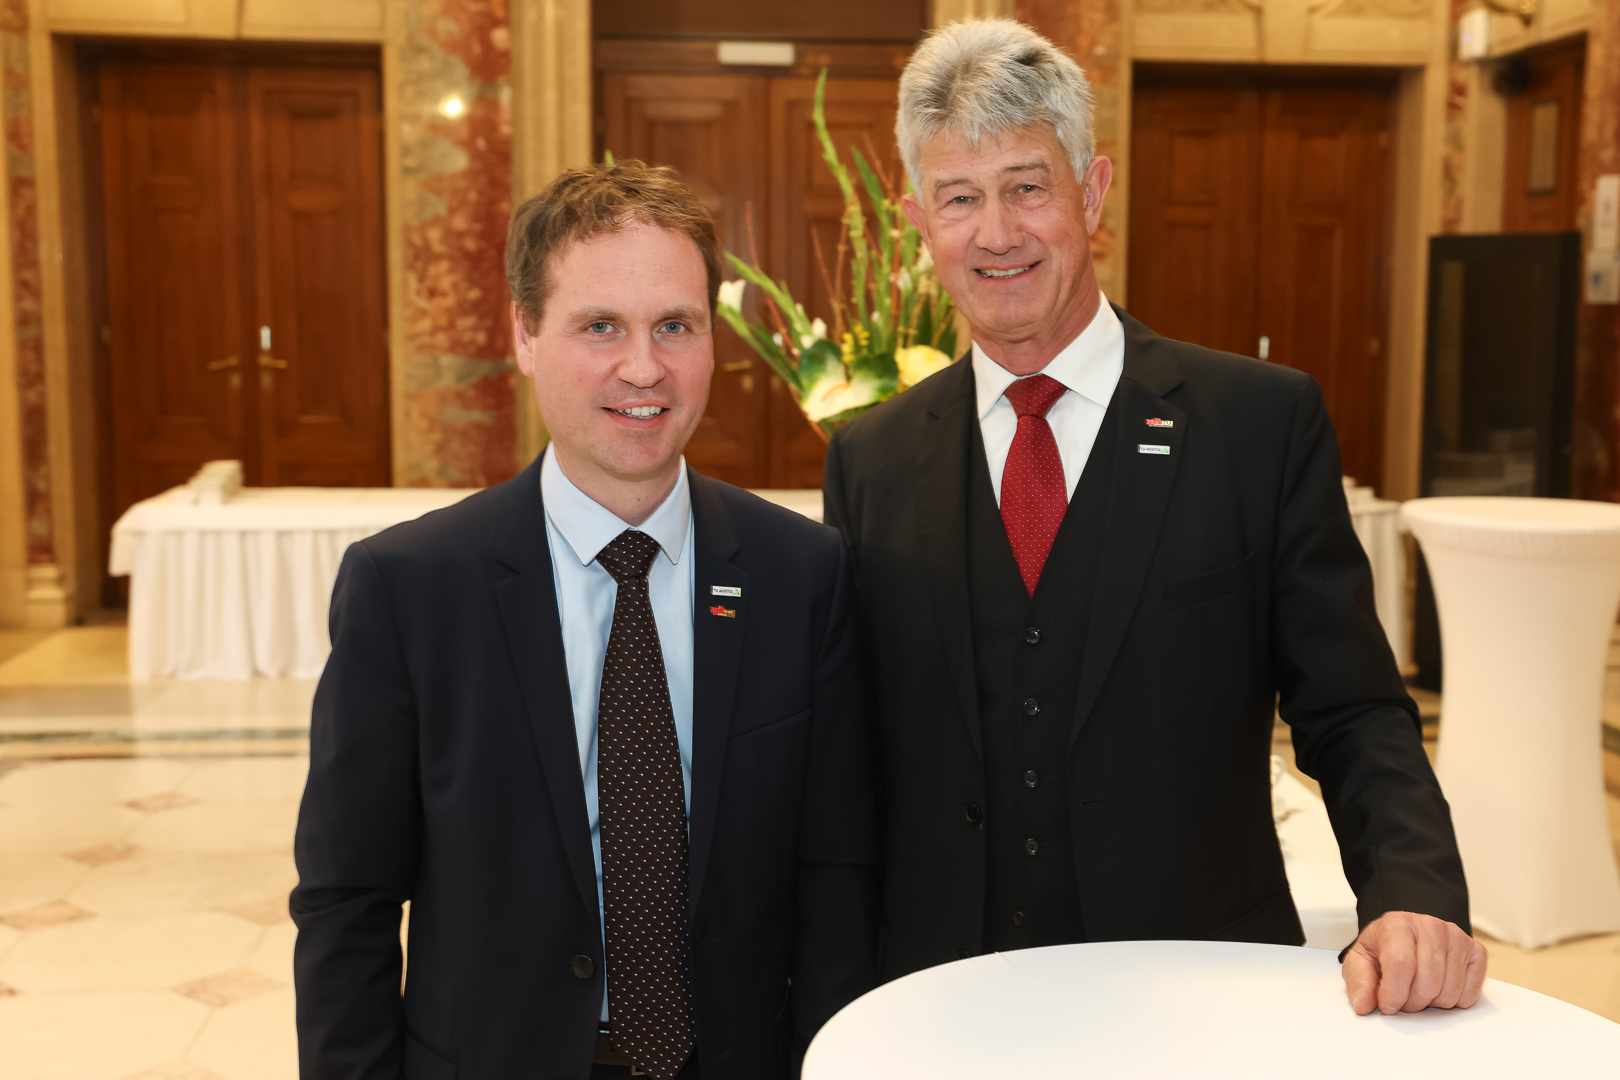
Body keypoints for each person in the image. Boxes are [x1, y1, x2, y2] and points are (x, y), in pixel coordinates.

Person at [822, 18, 1487, 1018]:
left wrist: (1413, 892)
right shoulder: (868, 459)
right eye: (960, 198)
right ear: (920, 220)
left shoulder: (1258, 425)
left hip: (1200, 991)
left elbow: (1352, 709)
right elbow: (844, 768)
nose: (995, 233)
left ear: (1092, 193)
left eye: (1027, 187)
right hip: (944, 1003)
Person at [292, 160, 878, 1080]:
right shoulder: (407, 590)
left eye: (675, 326)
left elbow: (837, 876)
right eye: (600, 325)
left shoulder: (801, 574)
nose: (643, 368)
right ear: (525, 334)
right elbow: (347, 901)